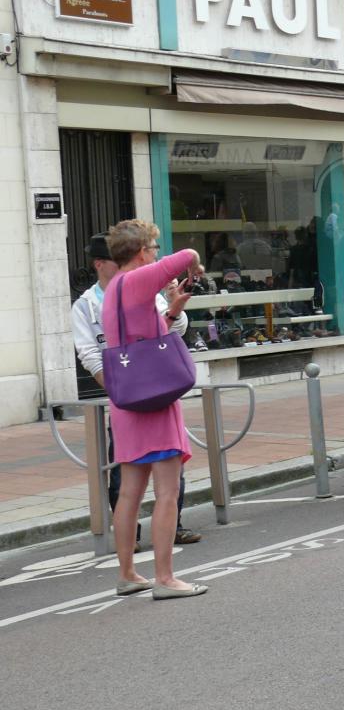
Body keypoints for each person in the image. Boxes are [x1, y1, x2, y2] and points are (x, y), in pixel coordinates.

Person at [72, 234, 202, 547]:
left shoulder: (130, 288)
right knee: (139, 479)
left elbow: (171, 328)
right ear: (100, 264)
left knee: (144, 479)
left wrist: (173, 308)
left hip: (145, 388)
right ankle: (154, 564)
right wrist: (117, 385)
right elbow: (89, 352)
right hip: (136, 391)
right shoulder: (94, 301)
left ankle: (136, 561)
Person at [100, 220, 207, 599]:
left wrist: (172, 311)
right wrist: (193, 262)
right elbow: (186, 256)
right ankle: (165, 578)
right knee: (166, 490)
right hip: (155, 400)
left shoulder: (113, 290)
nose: (157, 254)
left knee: (130, 491)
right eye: (154, 247)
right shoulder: (139, 279)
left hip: (127, 400)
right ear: (142, 251)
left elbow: (140, 340)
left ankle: (128, 572)